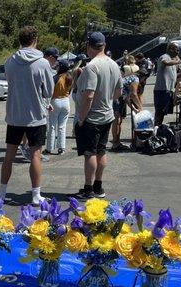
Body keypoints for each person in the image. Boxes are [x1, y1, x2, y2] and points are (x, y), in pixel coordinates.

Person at [0, 26, 54, 205]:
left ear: (20, 40)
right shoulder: (43, 63)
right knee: (35, 155)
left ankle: (2, 192)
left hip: (15, 114)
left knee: (9, 156)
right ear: (35, 40)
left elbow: (9, 81)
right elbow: (48, 91)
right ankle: (36, 194)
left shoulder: (10, 61)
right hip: (36, 115)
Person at [73, 32, 122, 200]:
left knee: (90, 153)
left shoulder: (91, 66)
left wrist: (81, 117)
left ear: (89, 46)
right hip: (107, 114)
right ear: (104, 45)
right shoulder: (114, 65)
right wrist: (106, 97)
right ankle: (98, 186)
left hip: (92, 117)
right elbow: (118, 93)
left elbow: (89, 95)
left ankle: (88, 188)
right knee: (101, 150)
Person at [111, 62, 143, 152]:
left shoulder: (128, 78)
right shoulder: (135, 79)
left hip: (118, 97)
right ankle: (115, 144)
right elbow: (134, 95)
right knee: (116, 120)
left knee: (119, 120)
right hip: (116, 97)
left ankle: (117, 142)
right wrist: (141, 108)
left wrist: (134, 109)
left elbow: (127, 98)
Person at [45, 59, 72, 155]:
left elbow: (49, 91)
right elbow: (70, 91)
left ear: (60, 67)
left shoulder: (55, 78)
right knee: (62, 126)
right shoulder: (69, 77)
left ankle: (49, 148)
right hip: (66, 101)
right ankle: (61, 148)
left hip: (55, 100)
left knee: (52, 125)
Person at [154, 42, 181, 126]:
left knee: (163, 113)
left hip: (168, 90)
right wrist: (177, 61)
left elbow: (174, 77)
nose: (178, 52)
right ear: (171, 49)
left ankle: (157, 130)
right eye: (177, 50)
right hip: (161, 90)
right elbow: (165, 62)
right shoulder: (165, 56)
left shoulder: (172, 60)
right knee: (160, 113)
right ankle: (155, 131)